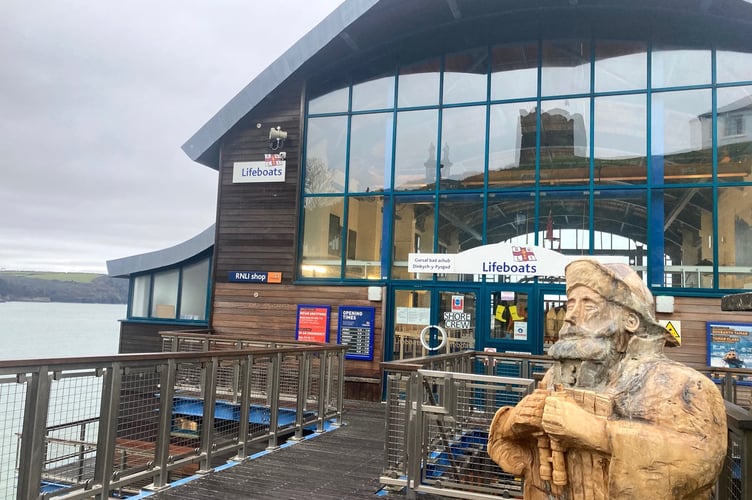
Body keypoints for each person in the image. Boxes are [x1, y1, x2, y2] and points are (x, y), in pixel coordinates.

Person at [488, 259, 727, 500]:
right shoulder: (555, 377)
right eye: (570, 304)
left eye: (588, 305)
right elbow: (517, 455)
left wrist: (597, 432)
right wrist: (515, 421)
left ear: (630, 320)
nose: (570, 316)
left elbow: (703, 460)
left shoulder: (681, 385)